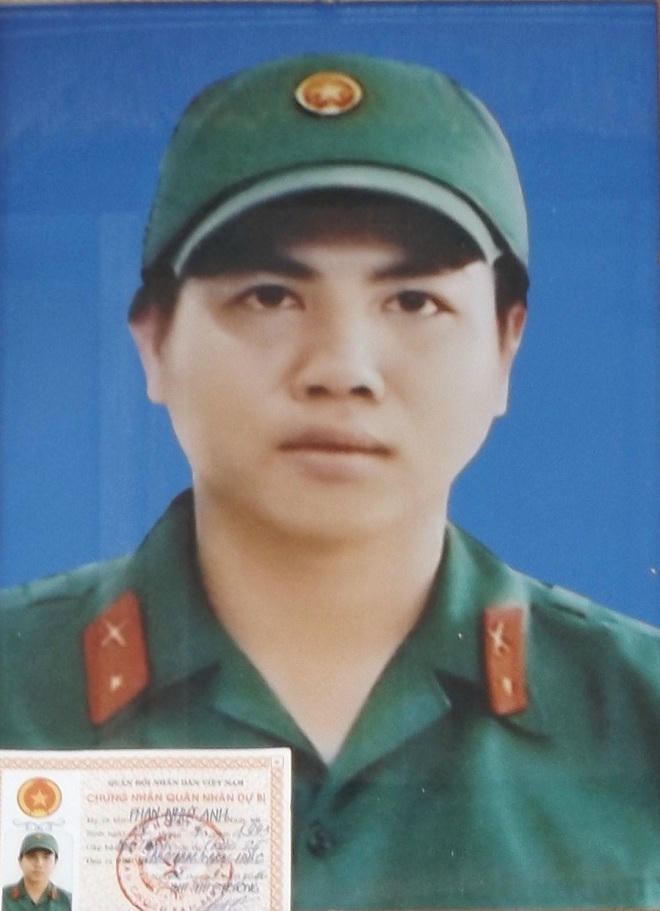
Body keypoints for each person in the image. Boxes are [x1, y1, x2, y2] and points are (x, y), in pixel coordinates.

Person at [0, 53, 658, 908]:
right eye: (270, 295)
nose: (342, 368)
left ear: (507, 345)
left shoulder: (640, 712)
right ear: (153, 340)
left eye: (414, 301)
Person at [2, 834, 71, 911]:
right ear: (20, 861)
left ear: (55, 862)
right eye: (32, 856)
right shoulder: (3, 898)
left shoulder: (68, 901)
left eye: (46, 857)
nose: (39, 864)